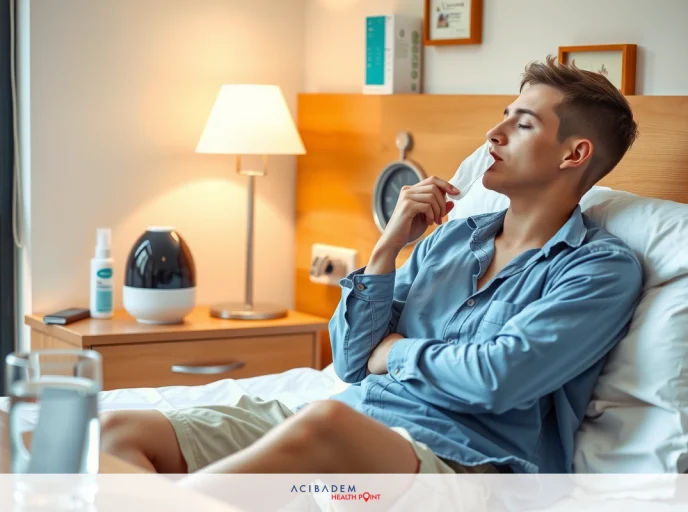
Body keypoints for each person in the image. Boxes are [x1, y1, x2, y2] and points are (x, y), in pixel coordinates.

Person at [100, 56, 643, 476]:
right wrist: (386, 249)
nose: (492, 135)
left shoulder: (599, 270)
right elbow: (352, 362)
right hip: (355, 420)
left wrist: (396, 352)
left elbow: (496, 379)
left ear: (574, 154)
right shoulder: (451, 239)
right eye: (502, 118)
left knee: (326, 424)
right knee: (117, 432)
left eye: (522, 125)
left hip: (459, 463)